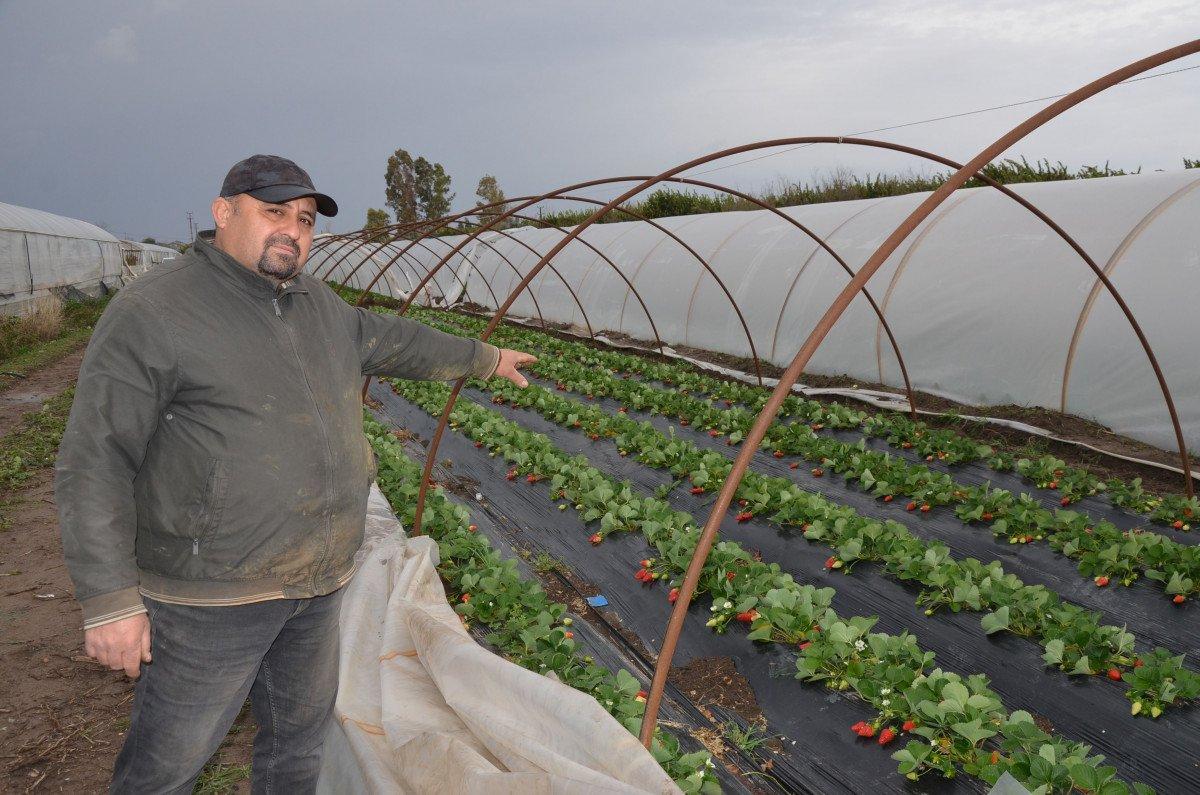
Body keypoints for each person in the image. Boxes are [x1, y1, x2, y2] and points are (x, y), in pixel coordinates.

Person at [55, 154, 536, 793]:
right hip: (214, 595)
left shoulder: (314, 303)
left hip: (317, 580)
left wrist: (486, 356)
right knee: (166, 767)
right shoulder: (156, 311)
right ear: (224, 213)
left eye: (306, 220)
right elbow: (94, 458)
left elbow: (395, 341)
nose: (293, 231)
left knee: (296, 750)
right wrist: (110, 600)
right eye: (274, 212)